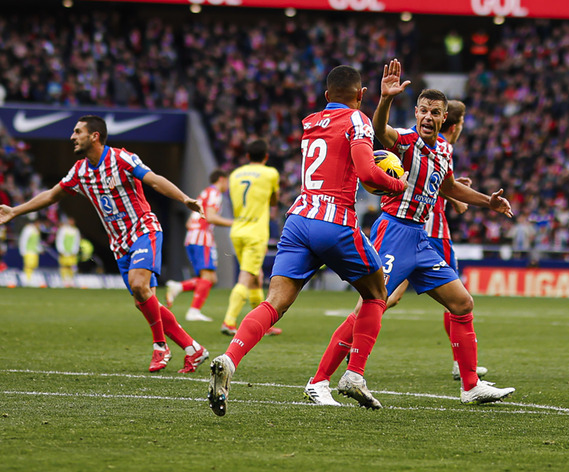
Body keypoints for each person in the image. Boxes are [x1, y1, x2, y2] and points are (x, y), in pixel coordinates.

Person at [306, 61, 515, 407]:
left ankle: (470, 385)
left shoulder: (445, 151)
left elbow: (448, 187)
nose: (428, 117)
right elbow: (378, 131)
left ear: (444, 117)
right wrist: (385, 99)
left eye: (435, 112)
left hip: (421, 239)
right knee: (369, 306)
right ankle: (319, 381)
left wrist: (486, 203)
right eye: (423, 110)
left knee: (462, 303)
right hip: (393, 232)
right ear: (415, 113)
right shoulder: (404, 140)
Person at [207, 65, 408, 416]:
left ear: (327, 96)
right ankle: (355, 374)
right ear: (360, 96)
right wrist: (396, 184)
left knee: (275, 302)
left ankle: (230, 357)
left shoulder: (311, 121)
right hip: (334, 221)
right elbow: (365, 172)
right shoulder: (358, 120)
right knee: (377, 293)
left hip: (298, 220)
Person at [0, 114, 210, 374]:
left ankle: (160, 346)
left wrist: (185, 200)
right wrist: (15, 211)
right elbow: (51, 195)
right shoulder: (80, 171)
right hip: (118, 244)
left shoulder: (122, 158)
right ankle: (194, 349)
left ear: (94, 136)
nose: (72, 136)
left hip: (143, 230)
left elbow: (154, 179)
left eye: (78, 131)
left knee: (140, 285)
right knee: (146, 300)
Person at [385, 99, 489, 383]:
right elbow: (428, 181)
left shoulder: (441, 148)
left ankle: (465, 371)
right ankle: (462, 366)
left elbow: (442, 184)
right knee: (454, 299)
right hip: (427, 231)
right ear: (454, 123)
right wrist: (456, 197)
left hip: (419, 229)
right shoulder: (431, 143)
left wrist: (456, 191)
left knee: (389, 296)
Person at [219, 142, 279, 336]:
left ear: (247, 156)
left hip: (237, 229)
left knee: (256, 277)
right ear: (266, 156)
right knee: (246, 276)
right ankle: (229, 321)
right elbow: (274, 201)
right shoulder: (270, 173)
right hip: (256, 232)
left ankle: (264, 325)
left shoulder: (235, 174)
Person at [166, 168, 233, 322]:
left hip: (193, 237)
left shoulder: (204, 193)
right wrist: (234, 223)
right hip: (202, 239)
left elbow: (190, 222)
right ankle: (193, 311)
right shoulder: (215, 194)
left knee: (211, 278)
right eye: (227, 182)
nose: (227, 186)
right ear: (222, 179)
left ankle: (179, 287)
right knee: (207, 277)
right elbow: (210, 217)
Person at [55, 214, 81, 287]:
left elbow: (77, 241)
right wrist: (61, 250)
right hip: (64, 252)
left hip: (72, 252)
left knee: (72, 266)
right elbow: (59, 240)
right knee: (64, 266)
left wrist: (75, 251)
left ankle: (71, 281)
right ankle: (64, 281)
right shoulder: (63, 229)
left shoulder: (76, 230)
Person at [18, 216, 43, 287]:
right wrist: (23, 251)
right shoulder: (28, 229)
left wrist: (39, 249)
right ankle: (27, 281)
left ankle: (31, 280)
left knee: (33, 266)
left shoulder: (36, 230)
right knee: (28, 266)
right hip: (28, 251)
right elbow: (23, 240)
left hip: (34, 252)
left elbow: (37, 242)